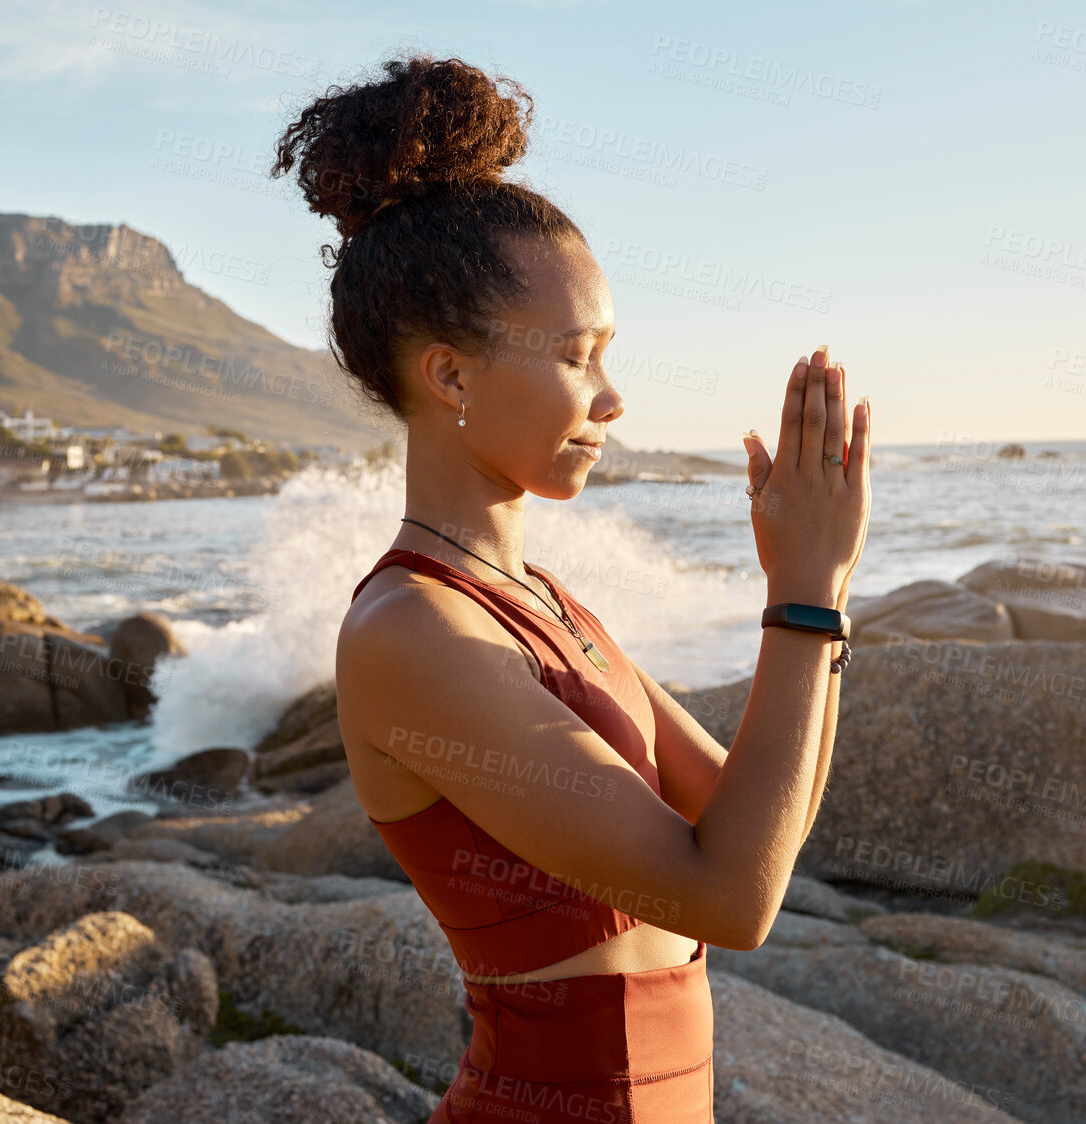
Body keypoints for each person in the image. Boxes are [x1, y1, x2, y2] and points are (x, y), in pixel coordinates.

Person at [277, 53, 870, 1124]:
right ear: (450, 375)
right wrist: (802, 592)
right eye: (577, 357)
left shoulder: (538, 598)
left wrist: (823, 589)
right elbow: (730, 898)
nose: (611, 398)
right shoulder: (412, 628)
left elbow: (751, 819)